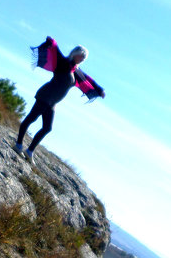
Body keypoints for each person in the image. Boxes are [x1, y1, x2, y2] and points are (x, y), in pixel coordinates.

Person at [14, 36, 105, 164]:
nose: (83, 59)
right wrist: (51, 41)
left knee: (47, 128)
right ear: (75, 54)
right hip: (45, 96)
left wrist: (100, 90)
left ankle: (29, 152)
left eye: (84, 58)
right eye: (81, 56)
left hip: (52, 103)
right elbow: (56, 50)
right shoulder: (63, 63)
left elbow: (89, 80)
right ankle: (18, 145)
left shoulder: (76, 72)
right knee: (31, 119)